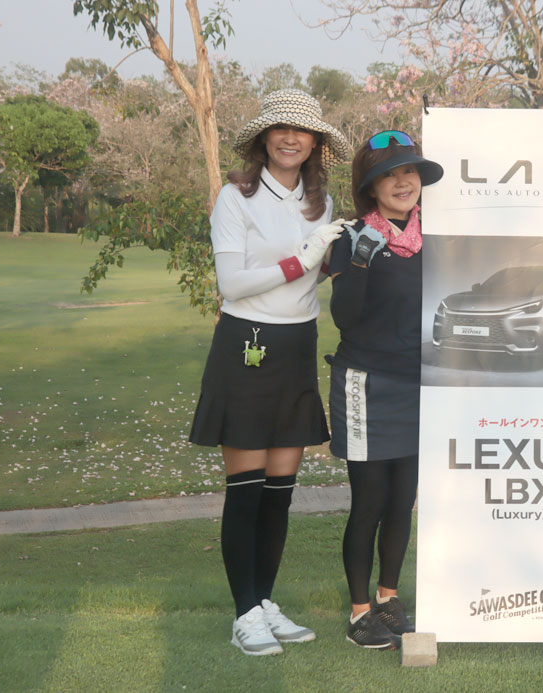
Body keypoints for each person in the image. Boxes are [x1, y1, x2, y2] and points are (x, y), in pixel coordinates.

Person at [189, 89, 351, 656]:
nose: (290, 138)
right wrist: (300, 259)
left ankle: (263, 602)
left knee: (280, 491)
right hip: (246, 344)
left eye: (301, 131)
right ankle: (244, 615)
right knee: (247, 489)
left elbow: (314, 273)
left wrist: (329, 262)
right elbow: (231, 284)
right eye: (280, 128)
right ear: (263, 137)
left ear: (315, 144)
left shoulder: (320, 202)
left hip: (296, 346)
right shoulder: (236, 196)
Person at [327, 130, 443, 649]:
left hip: (419, 385)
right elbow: (345, 318)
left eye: (409, 172)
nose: (402, 182)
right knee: (370, 500)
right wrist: (359, 261)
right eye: (388, 175)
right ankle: (359, 613)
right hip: (366, 384)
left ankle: (389, 598)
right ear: (369, 187)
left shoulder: (434, 239)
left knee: (402, 500)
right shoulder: (352, 237)